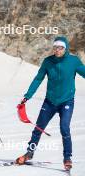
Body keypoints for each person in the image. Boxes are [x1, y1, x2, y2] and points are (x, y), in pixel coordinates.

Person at [15, 37, 85, 170]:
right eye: (55, 47)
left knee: (64, 128)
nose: (57, 50)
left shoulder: (73, 61)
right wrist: (27, 96)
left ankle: (67, 157)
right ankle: (29, 152)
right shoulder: (48, 62)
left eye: (60, 48)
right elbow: (38, 79)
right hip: (50, 101)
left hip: (66, 100)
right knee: (37, 129)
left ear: (65, 48)